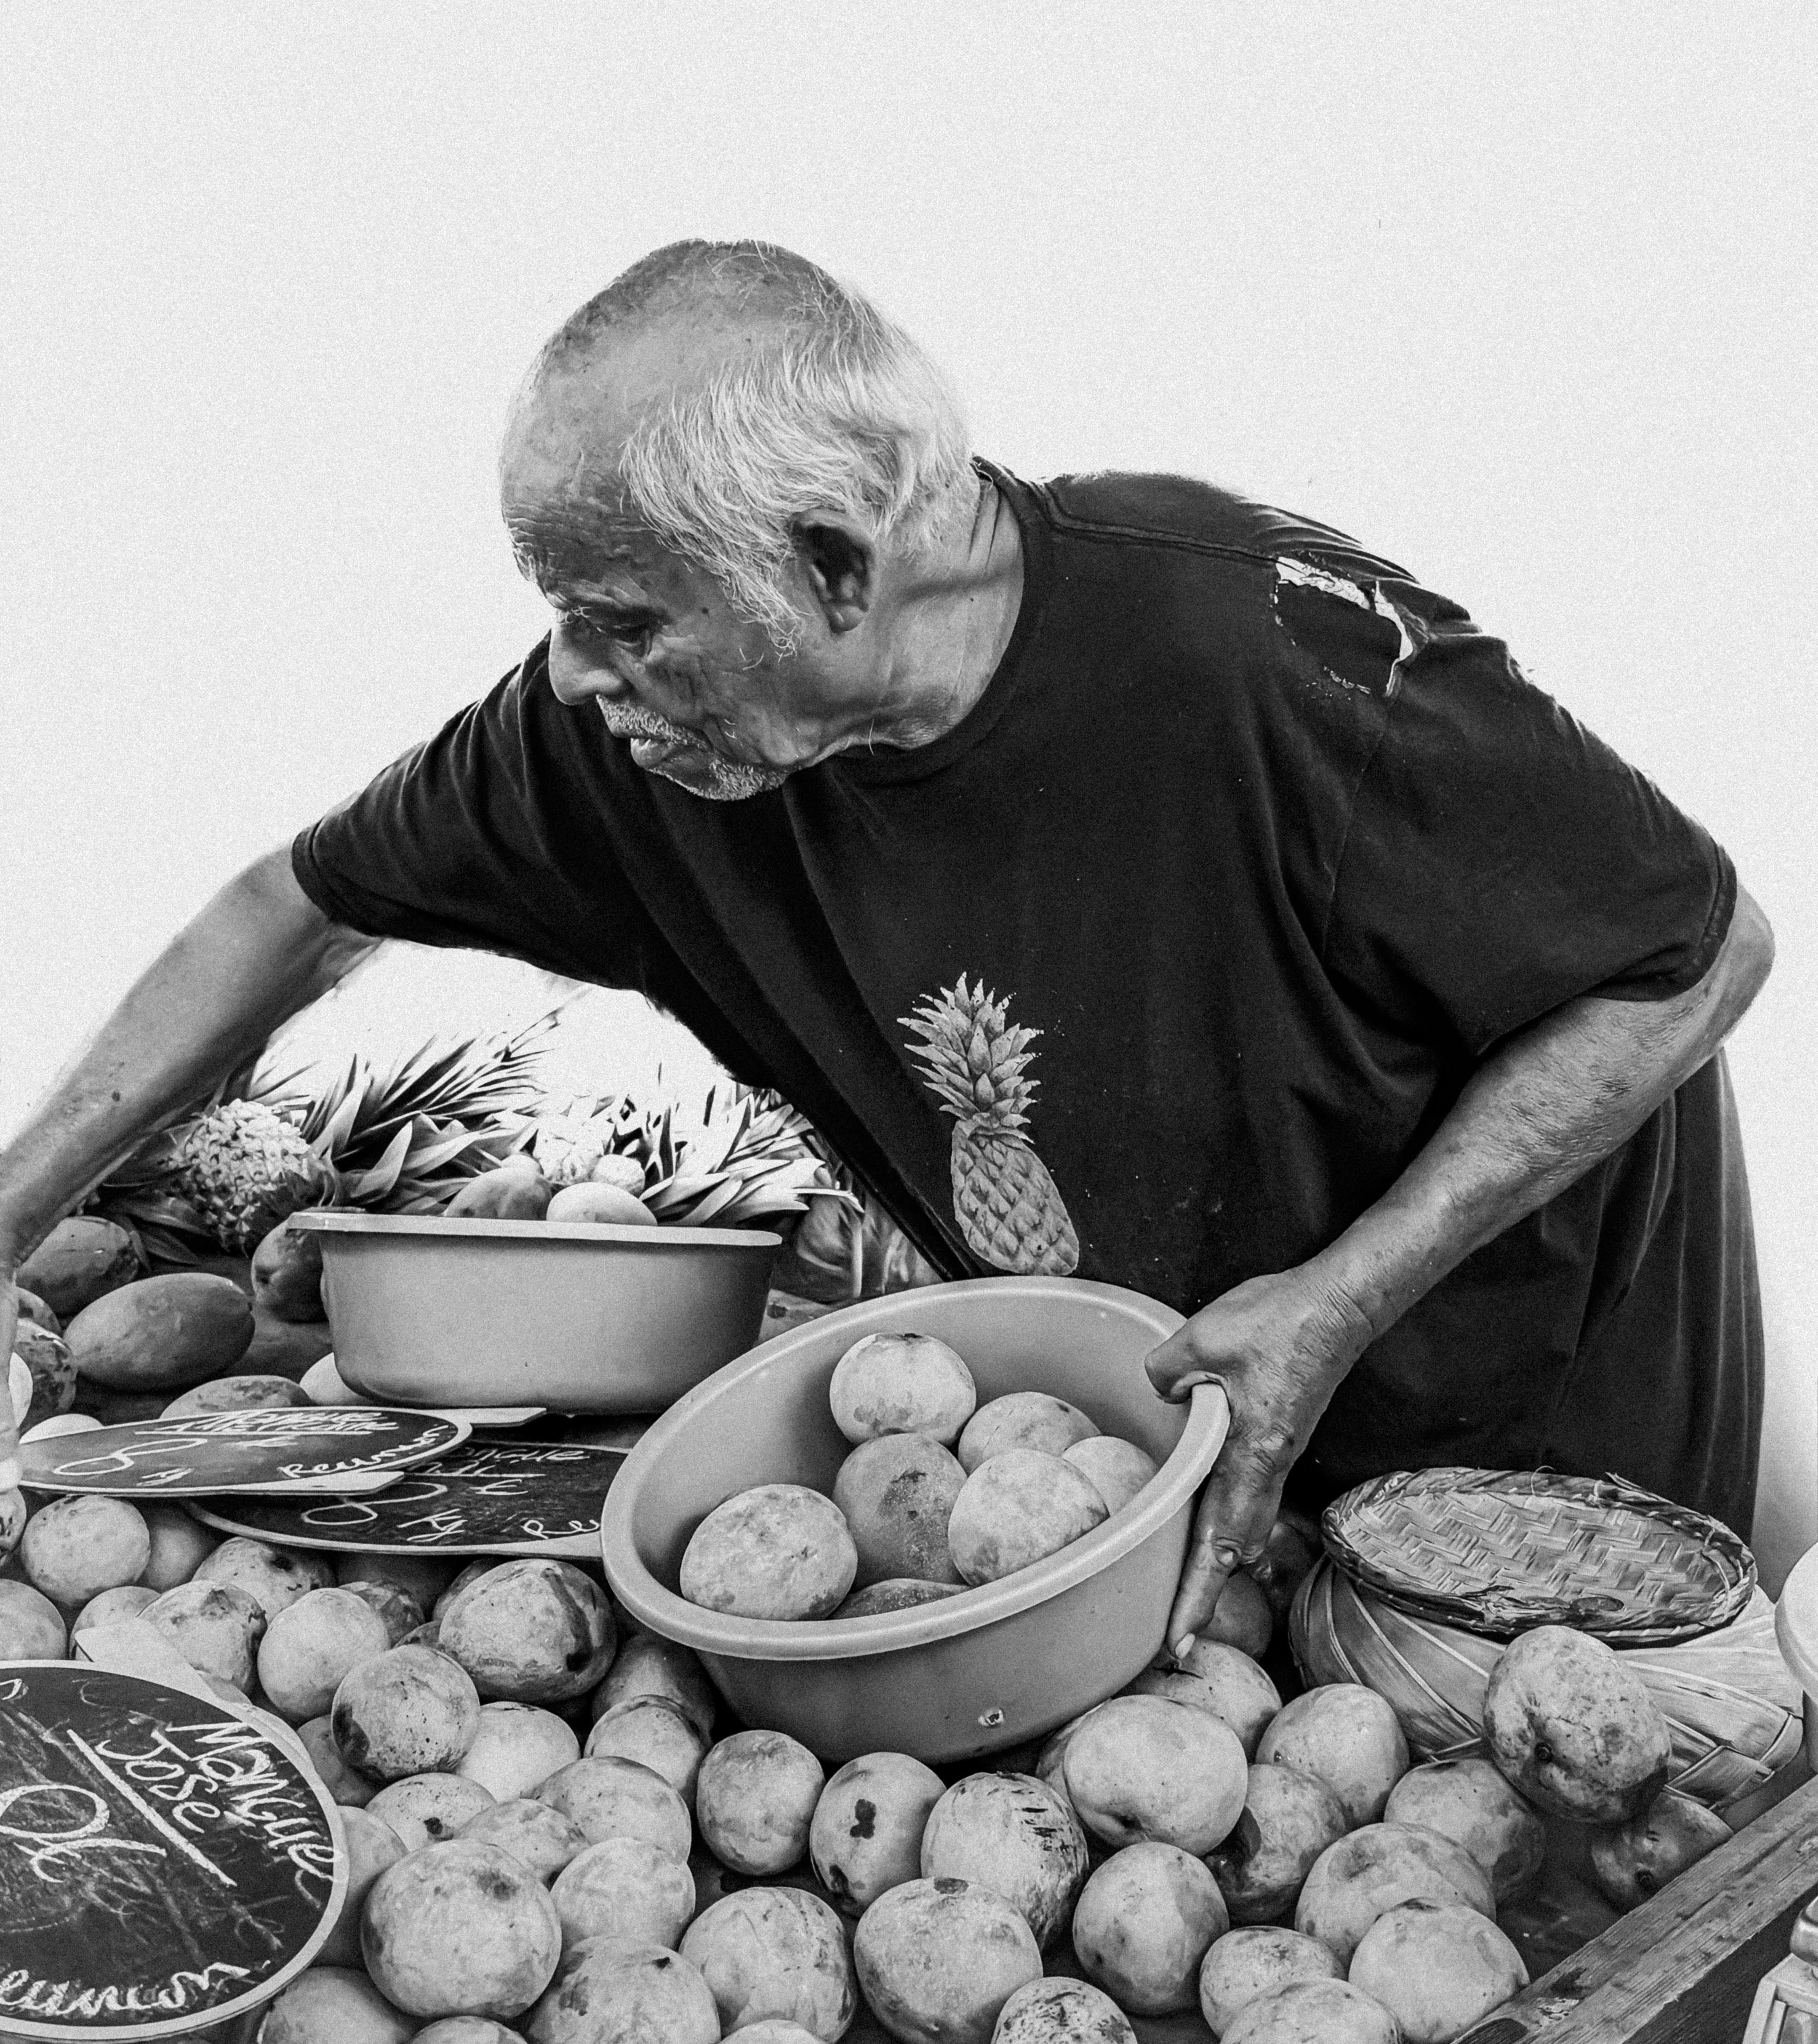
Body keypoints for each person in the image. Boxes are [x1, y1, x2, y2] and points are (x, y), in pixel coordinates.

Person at [0, 241, 1772, 1654]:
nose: (571, 678)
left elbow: (1698, 951)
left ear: (836, 566)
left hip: (1530, 1447)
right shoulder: (623, 745)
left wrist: (1338, 1300)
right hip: (1145, 1464)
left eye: (622, 622)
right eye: (559, 615)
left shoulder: (1262, 662)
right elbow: (286, 909)